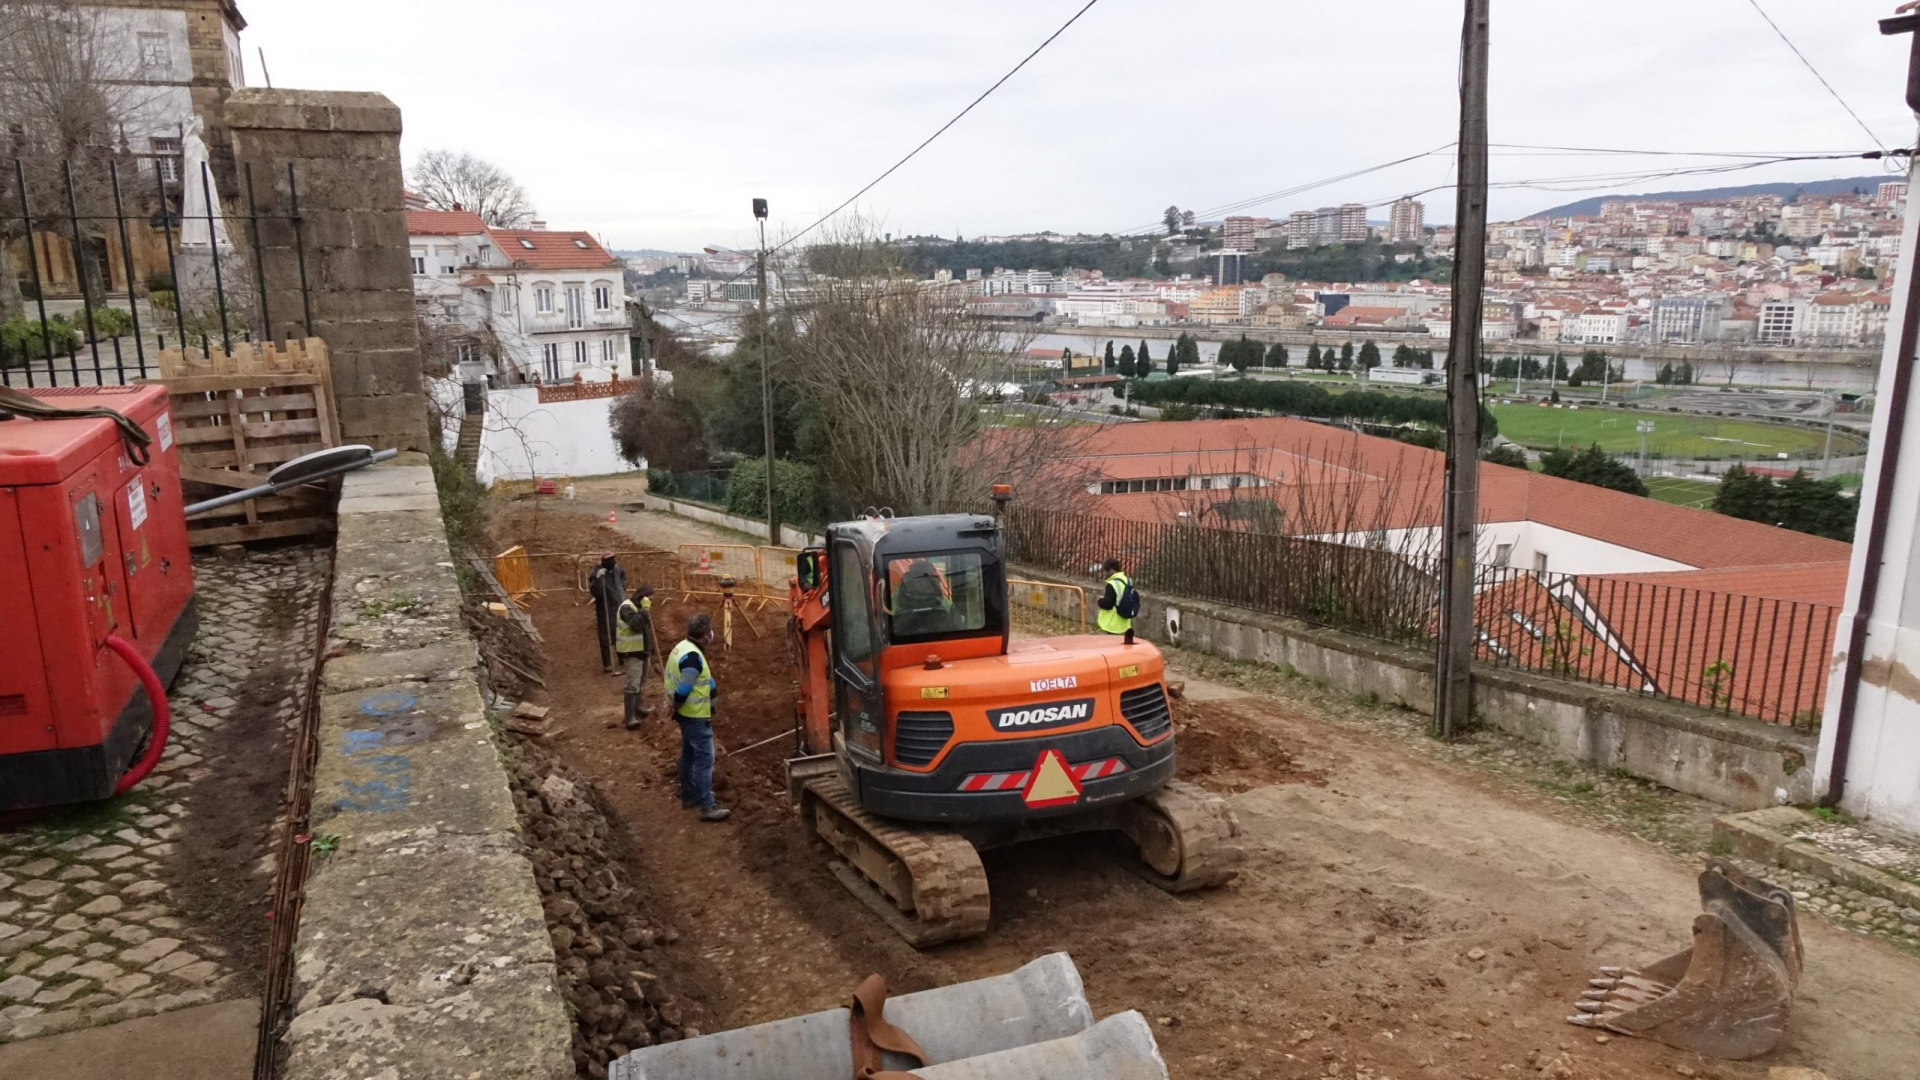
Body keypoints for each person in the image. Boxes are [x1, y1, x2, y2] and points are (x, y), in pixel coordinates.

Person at [664, 613, 730, 822]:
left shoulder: (683, 647)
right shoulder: (692, 657)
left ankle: (690, 794)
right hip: (694, 716)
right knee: (704, 759)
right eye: (709, 630)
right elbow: (684, 689)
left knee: (689, 754)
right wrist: (675, 706)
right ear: (705, 634)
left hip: (688, 715)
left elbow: (701, 681)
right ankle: (707, 806)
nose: (712, 634)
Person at [615, 583, 658, 730]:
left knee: (641, 682)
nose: (650, 602)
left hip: (642, 651)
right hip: (632, 652)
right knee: (632, 684)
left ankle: (638, 708)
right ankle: (629, 717)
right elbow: (636, 625)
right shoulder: (626, 607)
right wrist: (645, 610)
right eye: (649, 599)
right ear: (643, 597)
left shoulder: (639, 607)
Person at [587, 553, 627, 674]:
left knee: (620, 632)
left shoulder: (618, 569)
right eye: (609, 560)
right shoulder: (598, 572)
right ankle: (607, 663)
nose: (612, 562)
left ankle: (622, 657)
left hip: (618, 605)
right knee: (605, 634)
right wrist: (598, 580)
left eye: (613, 559)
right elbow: (595, 592)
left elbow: (623, 584)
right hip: (604, 608)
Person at [1096, 557, 1138, 644]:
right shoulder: (1128, 581)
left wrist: (1100, 601)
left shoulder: (1112, 584)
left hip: (1113, 622)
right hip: (1125, 620)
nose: (1105, 573)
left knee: (1111, 645)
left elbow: (1108, 604)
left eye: (1106, 571)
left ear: (1111, 570)